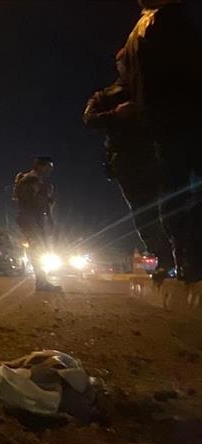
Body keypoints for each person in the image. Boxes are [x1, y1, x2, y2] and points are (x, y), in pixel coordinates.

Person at [121, 0, 202, 282]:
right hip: (187, 116)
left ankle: (185, 259)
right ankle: (192, 258)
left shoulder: (135, 34)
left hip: (161, 123)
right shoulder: (169, 18)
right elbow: (192, 65)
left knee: (173, 190)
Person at [83, 48, 175, 282]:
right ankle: (165, 257)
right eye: (128, 62)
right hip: (128, 159)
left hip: (159, 153)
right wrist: (116, 114)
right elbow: (89, 119)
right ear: (120, 66)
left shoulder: (154, 89)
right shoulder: (106, 95)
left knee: (170, 205)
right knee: (144, 210)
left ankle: (181, 256)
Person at [13, 157, 62, 292]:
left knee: (40, 248)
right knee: (37, 248)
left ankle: (42, 281)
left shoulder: (39, 181)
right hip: (30, 219)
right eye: (48, 166)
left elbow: (44, 204)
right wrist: (45, 199)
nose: (50, 170)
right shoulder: (29, 180)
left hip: (36, 219)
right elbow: (28, 201)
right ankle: (41, 282)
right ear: (40, 166)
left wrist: (49, 218)